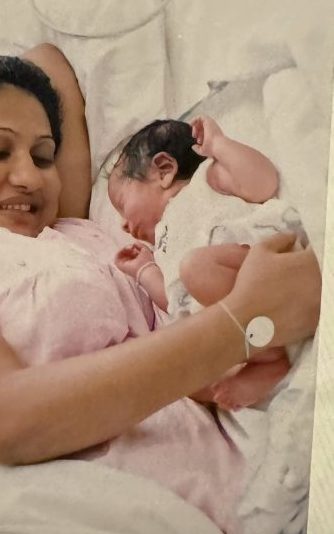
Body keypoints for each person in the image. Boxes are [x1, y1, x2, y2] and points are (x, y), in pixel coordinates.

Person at [0, 44, 321, 534]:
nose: (29, 176)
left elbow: (48, 62)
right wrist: (244, 322)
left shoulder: (69, 230)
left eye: (43, 156)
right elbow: (8, 421)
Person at [108, 116, 306, 411]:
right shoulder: (163, 248)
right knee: (175, 371)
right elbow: (176, 299)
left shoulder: (206, 182)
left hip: (262, 271)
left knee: (195, 269)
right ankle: (252, 365)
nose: (123, 225)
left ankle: (269, 356)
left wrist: (219, 145)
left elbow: (264, 183)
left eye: (123, 205)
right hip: (236, 322)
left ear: (164, 170)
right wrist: (145, 269)